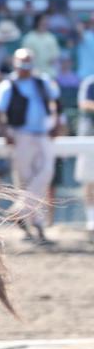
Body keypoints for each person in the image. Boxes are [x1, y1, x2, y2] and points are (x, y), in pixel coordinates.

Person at [0, 48, 60, 243]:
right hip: (20, 135)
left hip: (43, 134)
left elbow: (55, 103)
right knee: (26, 180)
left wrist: (57, 123)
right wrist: (5, 133)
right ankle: (36, 226)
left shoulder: (42, 82)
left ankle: (17, 211)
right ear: (15, 64)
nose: (25, 68)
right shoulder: (8, 86)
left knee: (46, 172)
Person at [75, 72, 94, 235]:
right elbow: (85, 104)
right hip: (91, 136)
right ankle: (91, 219)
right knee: (90, 180)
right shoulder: (90, 83)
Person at [21, 14, 60, 78]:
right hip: (33, 75)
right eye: (43, 22)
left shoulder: (51, 38)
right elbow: (25, 58)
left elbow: (55, 57)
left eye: (46, 22)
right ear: (37, 22)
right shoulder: (29, 38)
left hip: (49, 74)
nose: (45, 24)